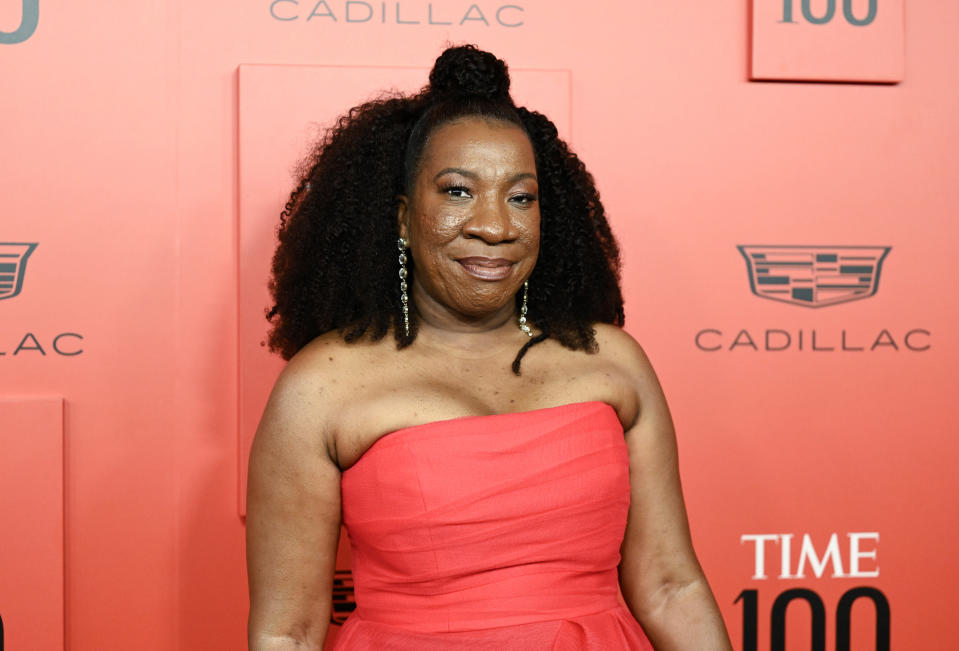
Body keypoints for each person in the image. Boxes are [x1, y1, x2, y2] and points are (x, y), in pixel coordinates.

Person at [246, 44, 732, 650]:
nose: (495, 226)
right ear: (401, 218)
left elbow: (669, 587)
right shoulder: (321, 385)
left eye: (521, 197)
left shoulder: (611, 361)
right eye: (457, 192)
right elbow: (286, 632)